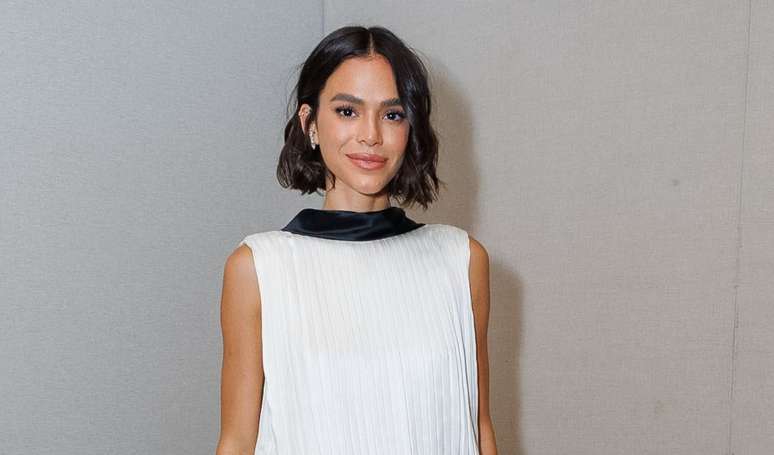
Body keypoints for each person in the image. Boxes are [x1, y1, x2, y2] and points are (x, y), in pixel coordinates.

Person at [216, 25, 497, 455]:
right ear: (309, 122)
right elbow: (237, 441)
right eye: (348, 111)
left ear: (411, 128)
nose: (371, 135)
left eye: (392, 114)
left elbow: (477, 427)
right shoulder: (258, 268)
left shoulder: (460, 260)